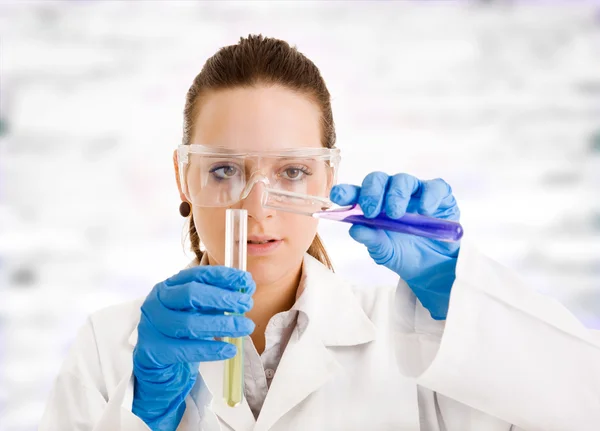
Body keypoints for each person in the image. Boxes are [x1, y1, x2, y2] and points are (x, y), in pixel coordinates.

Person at [39, 35, 599, 431]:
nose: (258, 208)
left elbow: (585, 407)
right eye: (223, 169)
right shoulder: (110, 349)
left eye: (292, 172)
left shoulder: (416, 338)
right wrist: (143, 417)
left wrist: (458, 295)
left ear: (328, 180)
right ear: (183, 178)